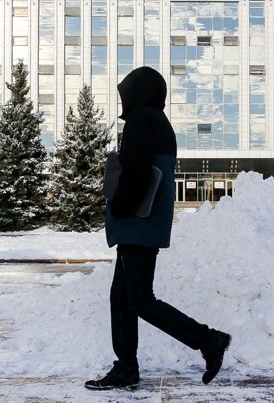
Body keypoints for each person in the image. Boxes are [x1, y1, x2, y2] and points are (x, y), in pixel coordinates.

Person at [85, 67, 231, 391]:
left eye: (126, 94)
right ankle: (125, 368)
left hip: (137, 221)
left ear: (137, 93)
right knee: (122, 299)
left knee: (139, 299)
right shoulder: (161, 124)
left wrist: (118, 205)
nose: (124, 101)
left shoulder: (141, 121)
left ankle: (209, 341)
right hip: (146, 222)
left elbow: (136, 173)